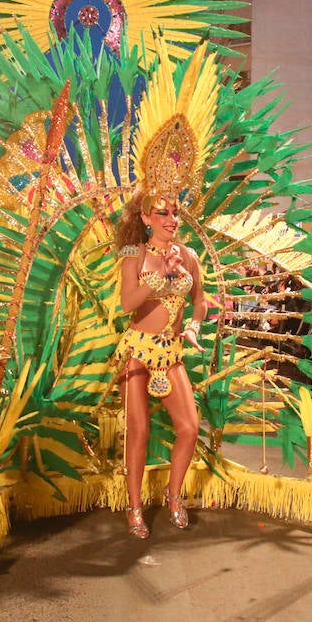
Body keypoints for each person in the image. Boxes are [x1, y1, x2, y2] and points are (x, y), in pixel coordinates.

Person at [114, 190, 206, 539]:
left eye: (176, 212)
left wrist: (194, 327)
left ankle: (173, 495)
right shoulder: (132, 253)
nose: (171, 220)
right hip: (138, 351)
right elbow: (126, 304)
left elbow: (199, 301)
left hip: (170, 353)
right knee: (139, 432)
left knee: (189, 429)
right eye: (162, 213)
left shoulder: (189, 255)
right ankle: (134, 507)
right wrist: (159, 277)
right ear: (145, 218)